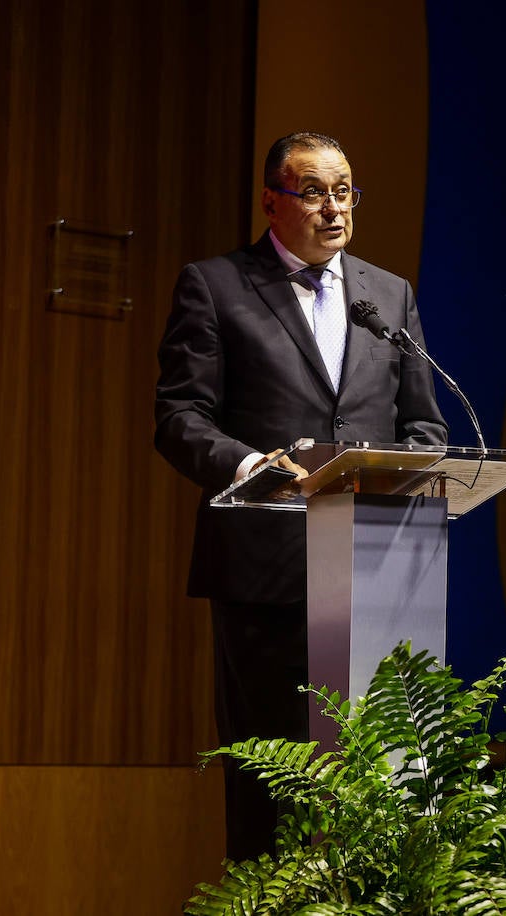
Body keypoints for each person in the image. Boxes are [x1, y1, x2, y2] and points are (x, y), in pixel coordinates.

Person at [153, 131, 448, 863]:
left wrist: (401, 462)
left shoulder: (390, 294)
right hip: (268, 567)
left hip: (376, 566)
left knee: (378, 778)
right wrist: (254, 463)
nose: (333, 209)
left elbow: (423, 422)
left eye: (345, 191)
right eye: (314, 191)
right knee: (271, 781)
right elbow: (179, 417)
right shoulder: (217, 285)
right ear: (271, 202)